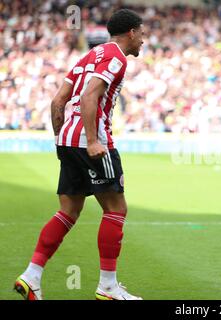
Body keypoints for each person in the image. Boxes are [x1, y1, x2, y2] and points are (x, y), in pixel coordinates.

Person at [14, 9, 144, 300]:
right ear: (132, 33)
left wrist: (61, 139)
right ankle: (108, 287)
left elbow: (58, 99)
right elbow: (89, 96)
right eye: (142, 34)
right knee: (116, 209)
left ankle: (31, 276)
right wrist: (92, 141)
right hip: (93, 143)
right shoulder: (116, 58)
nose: (143, 42)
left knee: (68, 212)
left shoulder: (89, 56)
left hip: (68, 141)